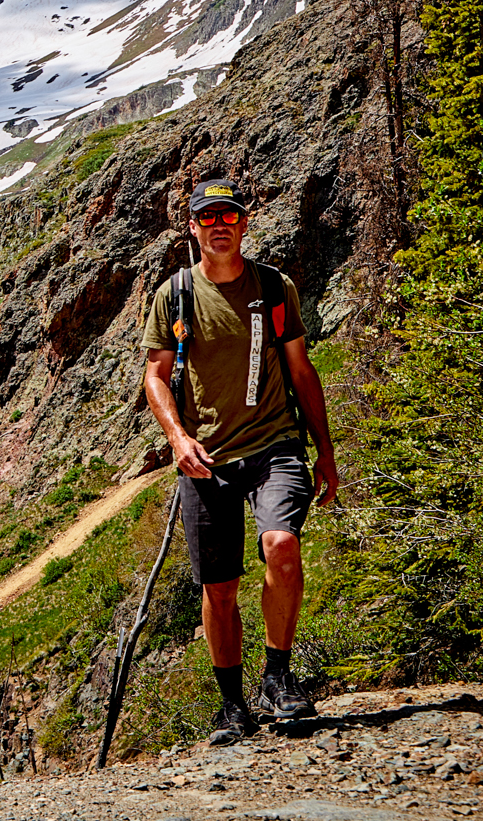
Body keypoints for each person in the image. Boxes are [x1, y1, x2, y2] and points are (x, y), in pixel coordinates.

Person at [142, 178, 339, 742]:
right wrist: (179, 439)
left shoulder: (274, 287)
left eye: (229, 216)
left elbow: (302, 371)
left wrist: (324, 451)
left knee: (281, 545)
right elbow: (155, 377)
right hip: (206, 459)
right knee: (219, 589)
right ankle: (233, 705)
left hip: (276, 444)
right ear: (193, 228)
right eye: (208, 218)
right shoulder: (174, 296)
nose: (219, 225)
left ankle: (277, 677)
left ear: (244, 223)